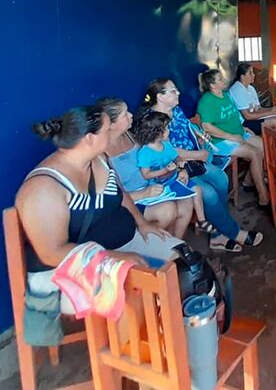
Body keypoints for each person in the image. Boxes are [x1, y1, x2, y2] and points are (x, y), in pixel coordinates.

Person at [16, 105, 184, 312]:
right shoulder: (43, 188)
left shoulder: (99, 159)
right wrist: (113, 258)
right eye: (107, 129)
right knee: (135, 294)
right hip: (62, 270)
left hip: (119, 242)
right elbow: (51, 253)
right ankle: (132, 342)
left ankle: (163, 327)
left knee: (184, 260)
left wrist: (142, 224)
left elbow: (119, 194)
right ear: (89, 138)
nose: (112, 132)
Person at [142, 79, 264, 251]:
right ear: (160, 97)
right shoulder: (153, 120)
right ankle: (233, 232)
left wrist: (200, 138)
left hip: (195, 160)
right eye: (173, 91)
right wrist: (196, 154)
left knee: (221, 178)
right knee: (209, 194)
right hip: (173, 170)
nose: (178, 93)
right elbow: (166, 150)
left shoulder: (175, 111)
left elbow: (189, 128)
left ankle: (217, 233)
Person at [97, 97, 195, 241]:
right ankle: (163, 250)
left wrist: (177, 170)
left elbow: (156, 159)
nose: (131, 115)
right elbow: (115, 195)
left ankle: (176, 247)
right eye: (125, 114)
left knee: (187, 201)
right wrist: (144, 193)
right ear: (111, 124)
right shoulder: (101, 154)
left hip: (153, 185)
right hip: (132, 199)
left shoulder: (130, 136)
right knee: (167, 210)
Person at [133, 110, 217, 238]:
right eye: (166, 128)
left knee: (197, 189)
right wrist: (165, 170)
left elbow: (176, 157)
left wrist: (180, 165)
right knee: (187, 197)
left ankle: (201, 220)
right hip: (161, 184)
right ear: (157, 132)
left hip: (174, 177)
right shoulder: (145, 153)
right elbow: (146, 175)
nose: (169, 130)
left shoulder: (166, 145)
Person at [196, 68, 271, 207]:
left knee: (264, 147)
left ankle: (249, 182)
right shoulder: (207, 101)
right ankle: (263, 197)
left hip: (238, 133)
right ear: (212, 85)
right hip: (221, 141)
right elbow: (207, 127)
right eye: (220, 79)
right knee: (254, 153)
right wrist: (232, 136)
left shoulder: (226, 96)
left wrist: (243, 128)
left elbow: (234, 116)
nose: (224, 80)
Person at [229, 62, 276, 134]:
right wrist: (270, 112)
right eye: (250, 73)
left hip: (253, 118)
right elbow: (247, 116)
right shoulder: (237, 89)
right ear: (242, 76)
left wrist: (273, 109)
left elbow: (258, 109)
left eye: (253, 73)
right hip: (244, 123)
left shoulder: (250, 88)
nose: (254, 75)